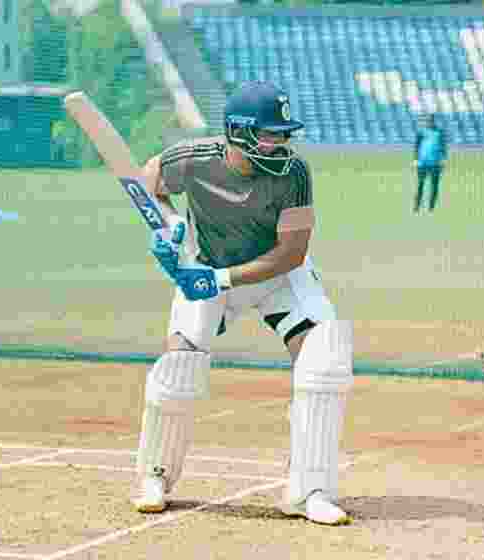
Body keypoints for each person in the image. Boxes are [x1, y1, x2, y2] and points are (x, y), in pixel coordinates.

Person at [130, 81, 354, 526]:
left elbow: (291, 253)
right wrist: (170, 226)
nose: (281, 144)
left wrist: (220, 279)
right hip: (207, 267)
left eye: (283, 134)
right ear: (239, 132)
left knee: (324, 356)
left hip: (277, 275)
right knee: (180, 361)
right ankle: (154, 475)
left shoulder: (293, 173)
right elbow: (146, 182)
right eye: (270, 135)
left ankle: (310, 491)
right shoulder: (191, 159)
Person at [412, 113, 448, 213]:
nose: (429, 122)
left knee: (434, 186)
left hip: (435, 163)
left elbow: (443, 147)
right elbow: (416, 146)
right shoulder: (421, 132)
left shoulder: (439, 132)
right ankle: (416, 206)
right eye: (427, 121)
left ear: (433, 121)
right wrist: (415, 159)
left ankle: (431, 208)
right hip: (422, 163)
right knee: (420, 184)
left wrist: (443, 160)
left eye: (431, 121)